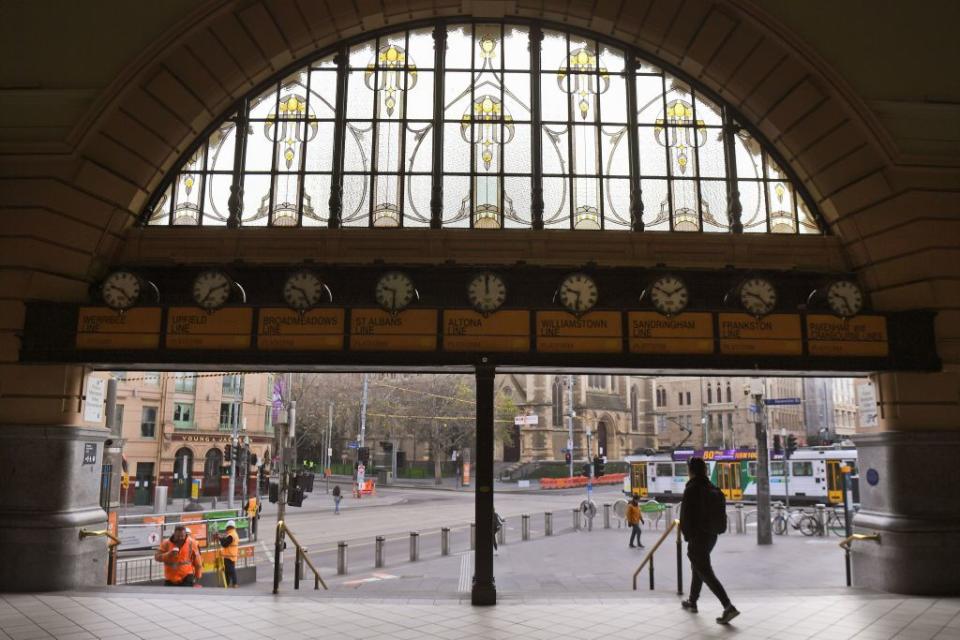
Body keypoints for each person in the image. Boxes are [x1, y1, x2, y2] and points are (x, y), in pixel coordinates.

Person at [680, 457, 739, 625]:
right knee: (698, 566)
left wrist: (687, 535)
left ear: (691, 471)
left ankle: (728, 606)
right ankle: (692, 601)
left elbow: (685, 515)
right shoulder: (711, 486)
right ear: (705, 471)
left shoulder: (692, 488)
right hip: (711, 536)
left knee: (704, 570)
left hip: (697, 536)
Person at [218, 520, 240, 588]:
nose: (226, 529)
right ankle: (227, 583)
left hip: (229, 556)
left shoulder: (231, 535)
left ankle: (234, 583)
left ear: (229, 527)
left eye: (226, 528)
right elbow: (226, 540)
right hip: (231, 556)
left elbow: (225, 544)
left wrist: (220, 539)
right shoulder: (233, 534)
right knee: (228, 571)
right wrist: (221, 537)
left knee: (230, 571)